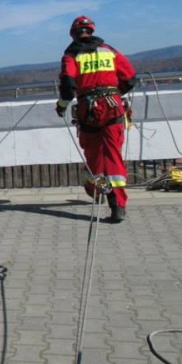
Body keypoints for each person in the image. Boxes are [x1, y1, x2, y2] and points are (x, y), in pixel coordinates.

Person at [56, 16, 136, 223]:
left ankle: (95, 189)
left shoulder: (71, 54)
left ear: (73, 34)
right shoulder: (109, 50)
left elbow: (68, 86)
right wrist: (115, 94)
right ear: (91, 31)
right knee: (113, 156)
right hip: (113, 107)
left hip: (89, 109)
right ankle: (117, 205)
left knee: (93, 155)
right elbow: (130, 78)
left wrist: (61, 107)